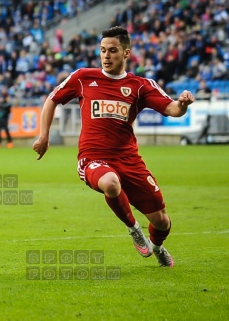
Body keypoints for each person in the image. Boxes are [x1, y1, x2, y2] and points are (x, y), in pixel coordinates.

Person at [32, 26, 195, 267]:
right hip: (93, 158)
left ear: (126, 53)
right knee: (110, 183)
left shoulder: (140, 85)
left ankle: (158, 247)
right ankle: (134, 229)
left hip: (129, 160)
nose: (106, 56)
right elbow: (52, 99)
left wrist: (182, 103)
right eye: (102, 51)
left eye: (112, 51)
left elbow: (172, 109)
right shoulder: (83, 78)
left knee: (162, 221)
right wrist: (43, 136)